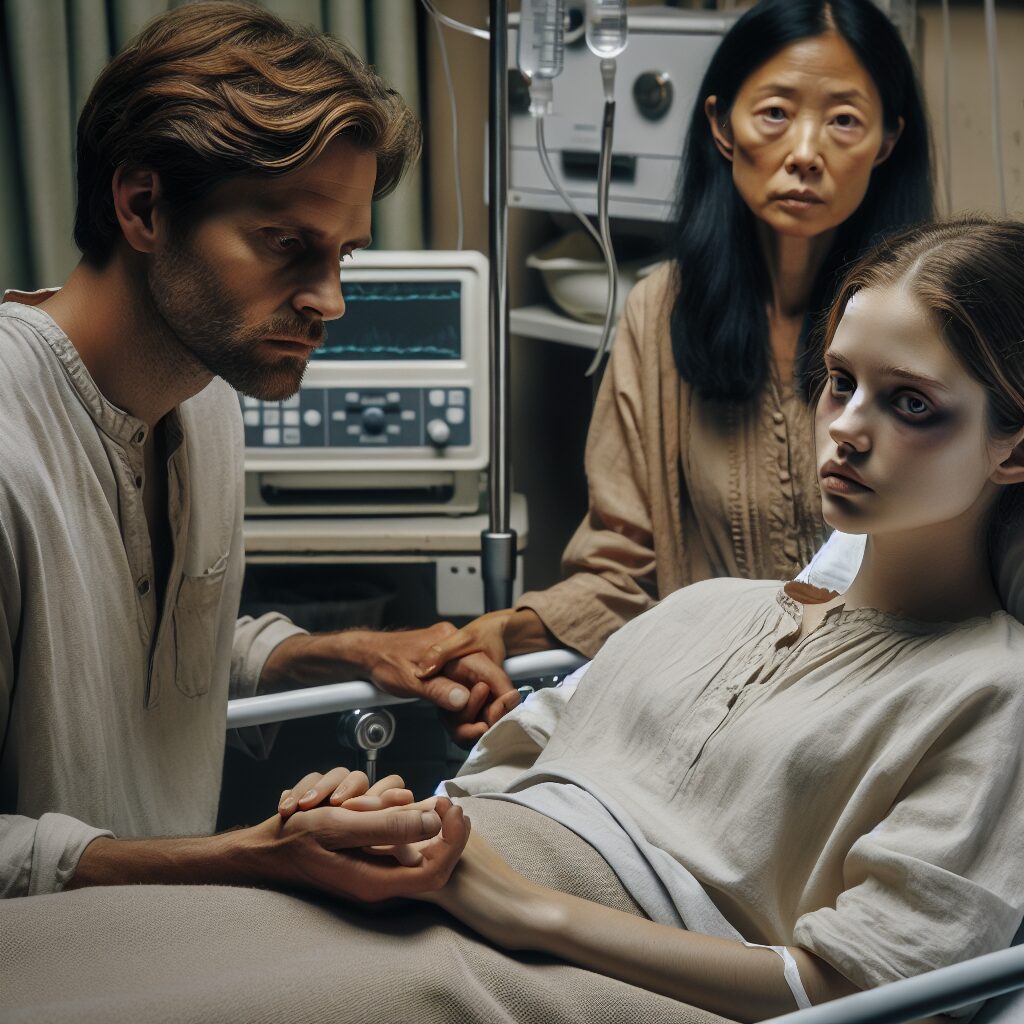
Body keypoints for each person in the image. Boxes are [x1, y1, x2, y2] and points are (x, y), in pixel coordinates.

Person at [4, 218, 1022, 1024]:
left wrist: (520, 909)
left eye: (911, 404)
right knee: (50, 956)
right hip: (407, 888)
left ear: (1011, 447)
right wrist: (385, 814)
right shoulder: (710, 607)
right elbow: (487, 781)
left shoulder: (990, 690)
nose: (846, 428)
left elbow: (869, 992)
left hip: (556, 968)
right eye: (840, 383)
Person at [0, 2, 517, 901]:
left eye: (344, 256)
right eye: (287, 244)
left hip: (162, 943)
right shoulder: (11, 456)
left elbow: (160, 645)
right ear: (143, 205)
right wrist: (249, 860)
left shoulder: (204, 398)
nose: (330, 301)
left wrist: (355, 650)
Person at [419, 0, 935, 679]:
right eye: (775, 113)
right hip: (711, 687)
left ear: (887, 140)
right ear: (722, 125)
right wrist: (506, 630)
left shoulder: (934, 322)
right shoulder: (663, 310)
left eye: (844, 121)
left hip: (889, 685)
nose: (806, 154)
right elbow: (621, 574)